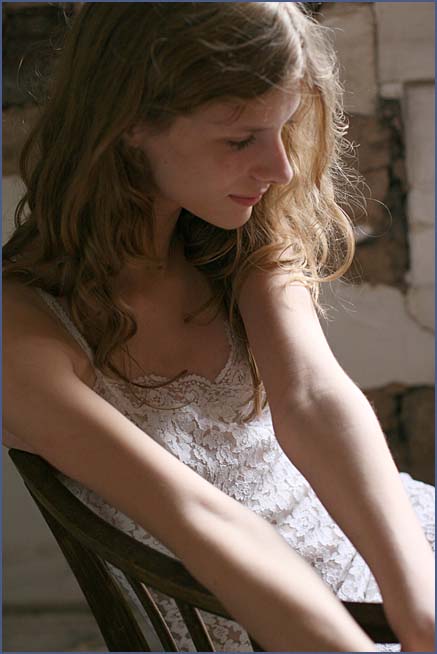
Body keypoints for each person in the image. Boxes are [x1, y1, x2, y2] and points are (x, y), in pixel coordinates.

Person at [3, 2, 434, 652]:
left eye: (283, 127)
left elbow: (315, 400)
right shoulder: (21, 328)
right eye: (240, 140)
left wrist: (419, 607)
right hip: (250, 615)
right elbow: (197, 516)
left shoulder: (239, 239)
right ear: (129, 122)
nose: (281, 168)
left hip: (370, 546)